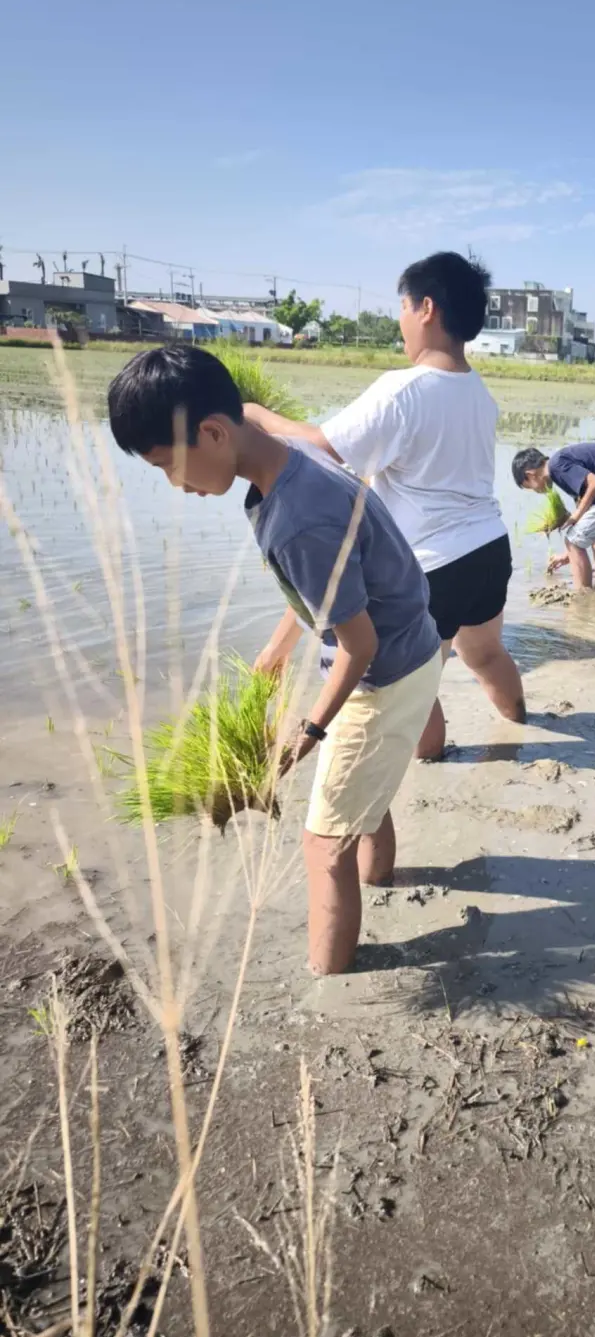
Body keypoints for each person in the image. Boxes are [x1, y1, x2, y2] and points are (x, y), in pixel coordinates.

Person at [106, 346, 442, 975]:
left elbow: (358, 643)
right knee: (361, 794)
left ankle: (329, 978)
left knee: (323, 842)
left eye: (165, 466)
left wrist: (305, 735)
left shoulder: (296, 517)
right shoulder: (287, 458)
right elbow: (333, 586)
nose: (174, 484)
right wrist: (278, 648)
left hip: (383, 672)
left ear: (213, 433)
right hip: (409, 650)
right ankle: (382, 886)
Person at [244, 251, 524, 762]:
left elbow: (324, 448)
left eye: (402, 306)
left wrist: (258, 415)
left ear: (426, 308)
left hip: (435, 566)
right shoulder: (477, 390)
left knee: (414, 684)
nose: (400, 321)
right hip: (489, 548)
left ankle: (430, 761)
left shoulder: (404, 387)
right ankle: (521, 728)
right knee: (483, 652)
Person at [512, 441, 595, 589]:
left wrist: (575, 516)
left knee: (573, 541)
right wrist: (567, 555)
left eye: (529, 487)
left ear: (530, 475)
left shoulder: (556, 466)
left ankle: (582, 596)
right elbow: (586, 508)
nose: (535, 491)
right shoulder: (560, 466)